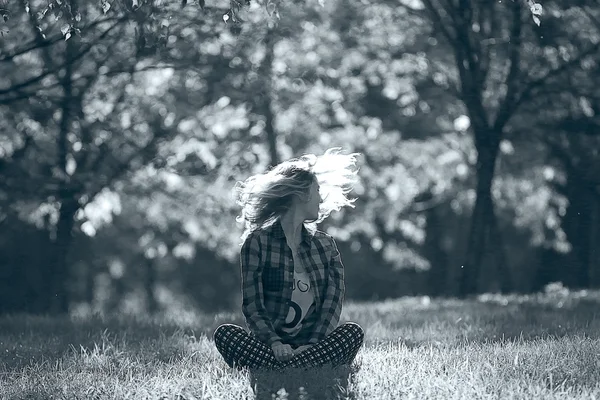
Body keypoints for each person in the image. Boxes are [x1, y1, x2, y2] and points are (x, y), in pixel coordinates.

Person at [213, 148, 364, 372]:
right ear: (301, 194)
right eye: (317, 191)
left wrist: (311, 345)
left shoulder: (325, 245)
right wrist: (275, 343)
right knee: (225, 334)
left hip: (313, 344)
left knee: (353, 332)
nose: (321, 198)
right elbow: (253, 306)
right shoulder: (257, 242)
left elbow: (332, 306)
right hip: (271, 346)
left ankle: (284, 366)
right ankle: (305, 366)